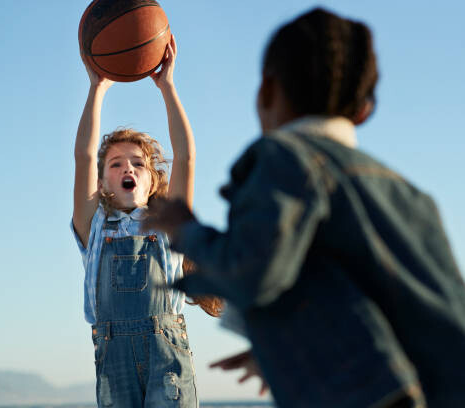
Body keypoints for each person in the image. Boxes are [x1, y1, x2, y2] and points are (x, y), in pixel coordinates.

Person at [144, 8, 465, 408]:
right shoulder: (410, 195)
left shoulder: (286, 158)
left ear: (267, 92)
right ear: (365, 109)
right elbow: (392, 306)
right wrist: (285, 346)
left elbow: (254, 271)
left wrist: (186, 229)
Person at [72, 35, 202, 407]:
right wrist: (97, 87)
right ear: (102, 184)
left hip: (169, 362)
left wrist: (168, 87)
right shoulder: (92, 226)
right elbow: (83, 156)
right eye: (116, 163)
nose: (127, 167)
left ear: (152, 180)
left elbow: (186, 157)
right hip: (115, 364)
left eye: (138, 163)